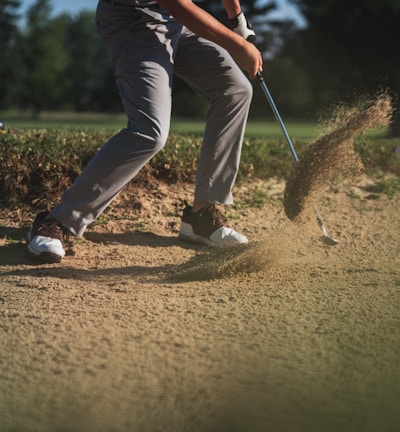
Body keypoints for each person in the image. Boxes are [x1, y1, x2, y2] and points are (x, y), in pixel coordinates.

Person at [27, 0, 263, 263]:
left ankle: (202, 217)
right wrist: (237, 44)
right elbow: (177, 4)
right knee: (150, 132)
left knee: (236, 91)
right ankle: (58, 220)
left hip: (174, 21)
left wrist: (237, 17)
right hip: (133, 19)